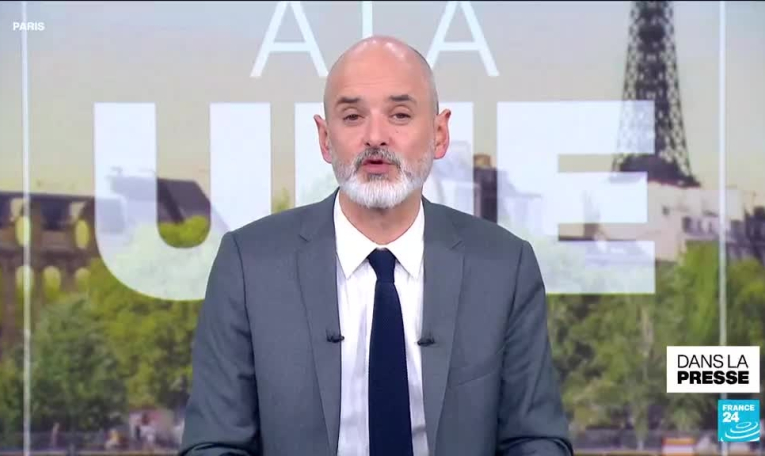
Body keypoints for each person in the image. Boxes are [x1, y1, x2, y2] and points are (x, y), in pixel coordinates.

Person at [180, 36, 572, 456]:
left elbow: (535, 439)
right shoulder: (249, 265)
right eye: (352, 116)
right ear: (325, 138)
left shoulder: (503, 267)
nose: (375, 136)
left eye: (400, 115)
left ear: (439, 134)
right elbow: (215, 444)